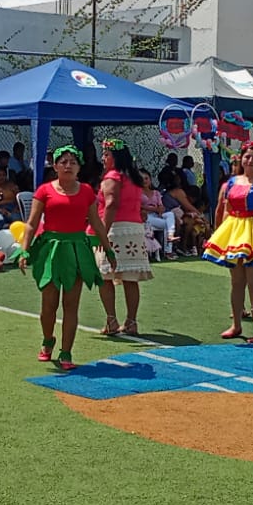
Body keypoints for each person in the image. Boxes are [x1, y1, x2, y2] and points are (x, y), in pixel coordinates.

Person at [22, 145, 115, 371]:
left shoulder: (86, 191)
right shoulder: (44, 190)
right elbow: (32, 223)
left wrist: (108, 249)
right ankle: (48, 340)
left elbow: (96, 223)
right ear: (55, 166)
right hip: (51, 251)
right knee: (48, 306)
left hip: (77, 250)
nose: (68, 166)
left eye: (73, 162)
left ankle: (66, 351)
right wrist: (24, 250)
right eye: (63, 162)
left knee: (71, 306)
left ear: (79, 168)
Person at [202, 141, 253, 340]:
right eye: (247, 156)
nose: (250, 160)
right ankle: (236, 325)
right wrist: (220, 234)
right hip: (234, 231)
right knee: (236, 282)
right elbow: (225, 210)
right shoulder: (232, 182)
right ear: (241, 159)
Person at [95, 138, 153, 336]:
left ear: (115, 157)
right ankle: (131, 321)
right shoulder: (133, 178)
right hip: (134, 229)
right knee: (130, 278)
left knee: (105, 276)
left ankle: (112, 320)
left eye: (106, 154)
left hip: (115, 229)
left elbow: (111, 204)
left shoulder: (112, 177)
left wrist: (103, 232)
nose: (103, 158)